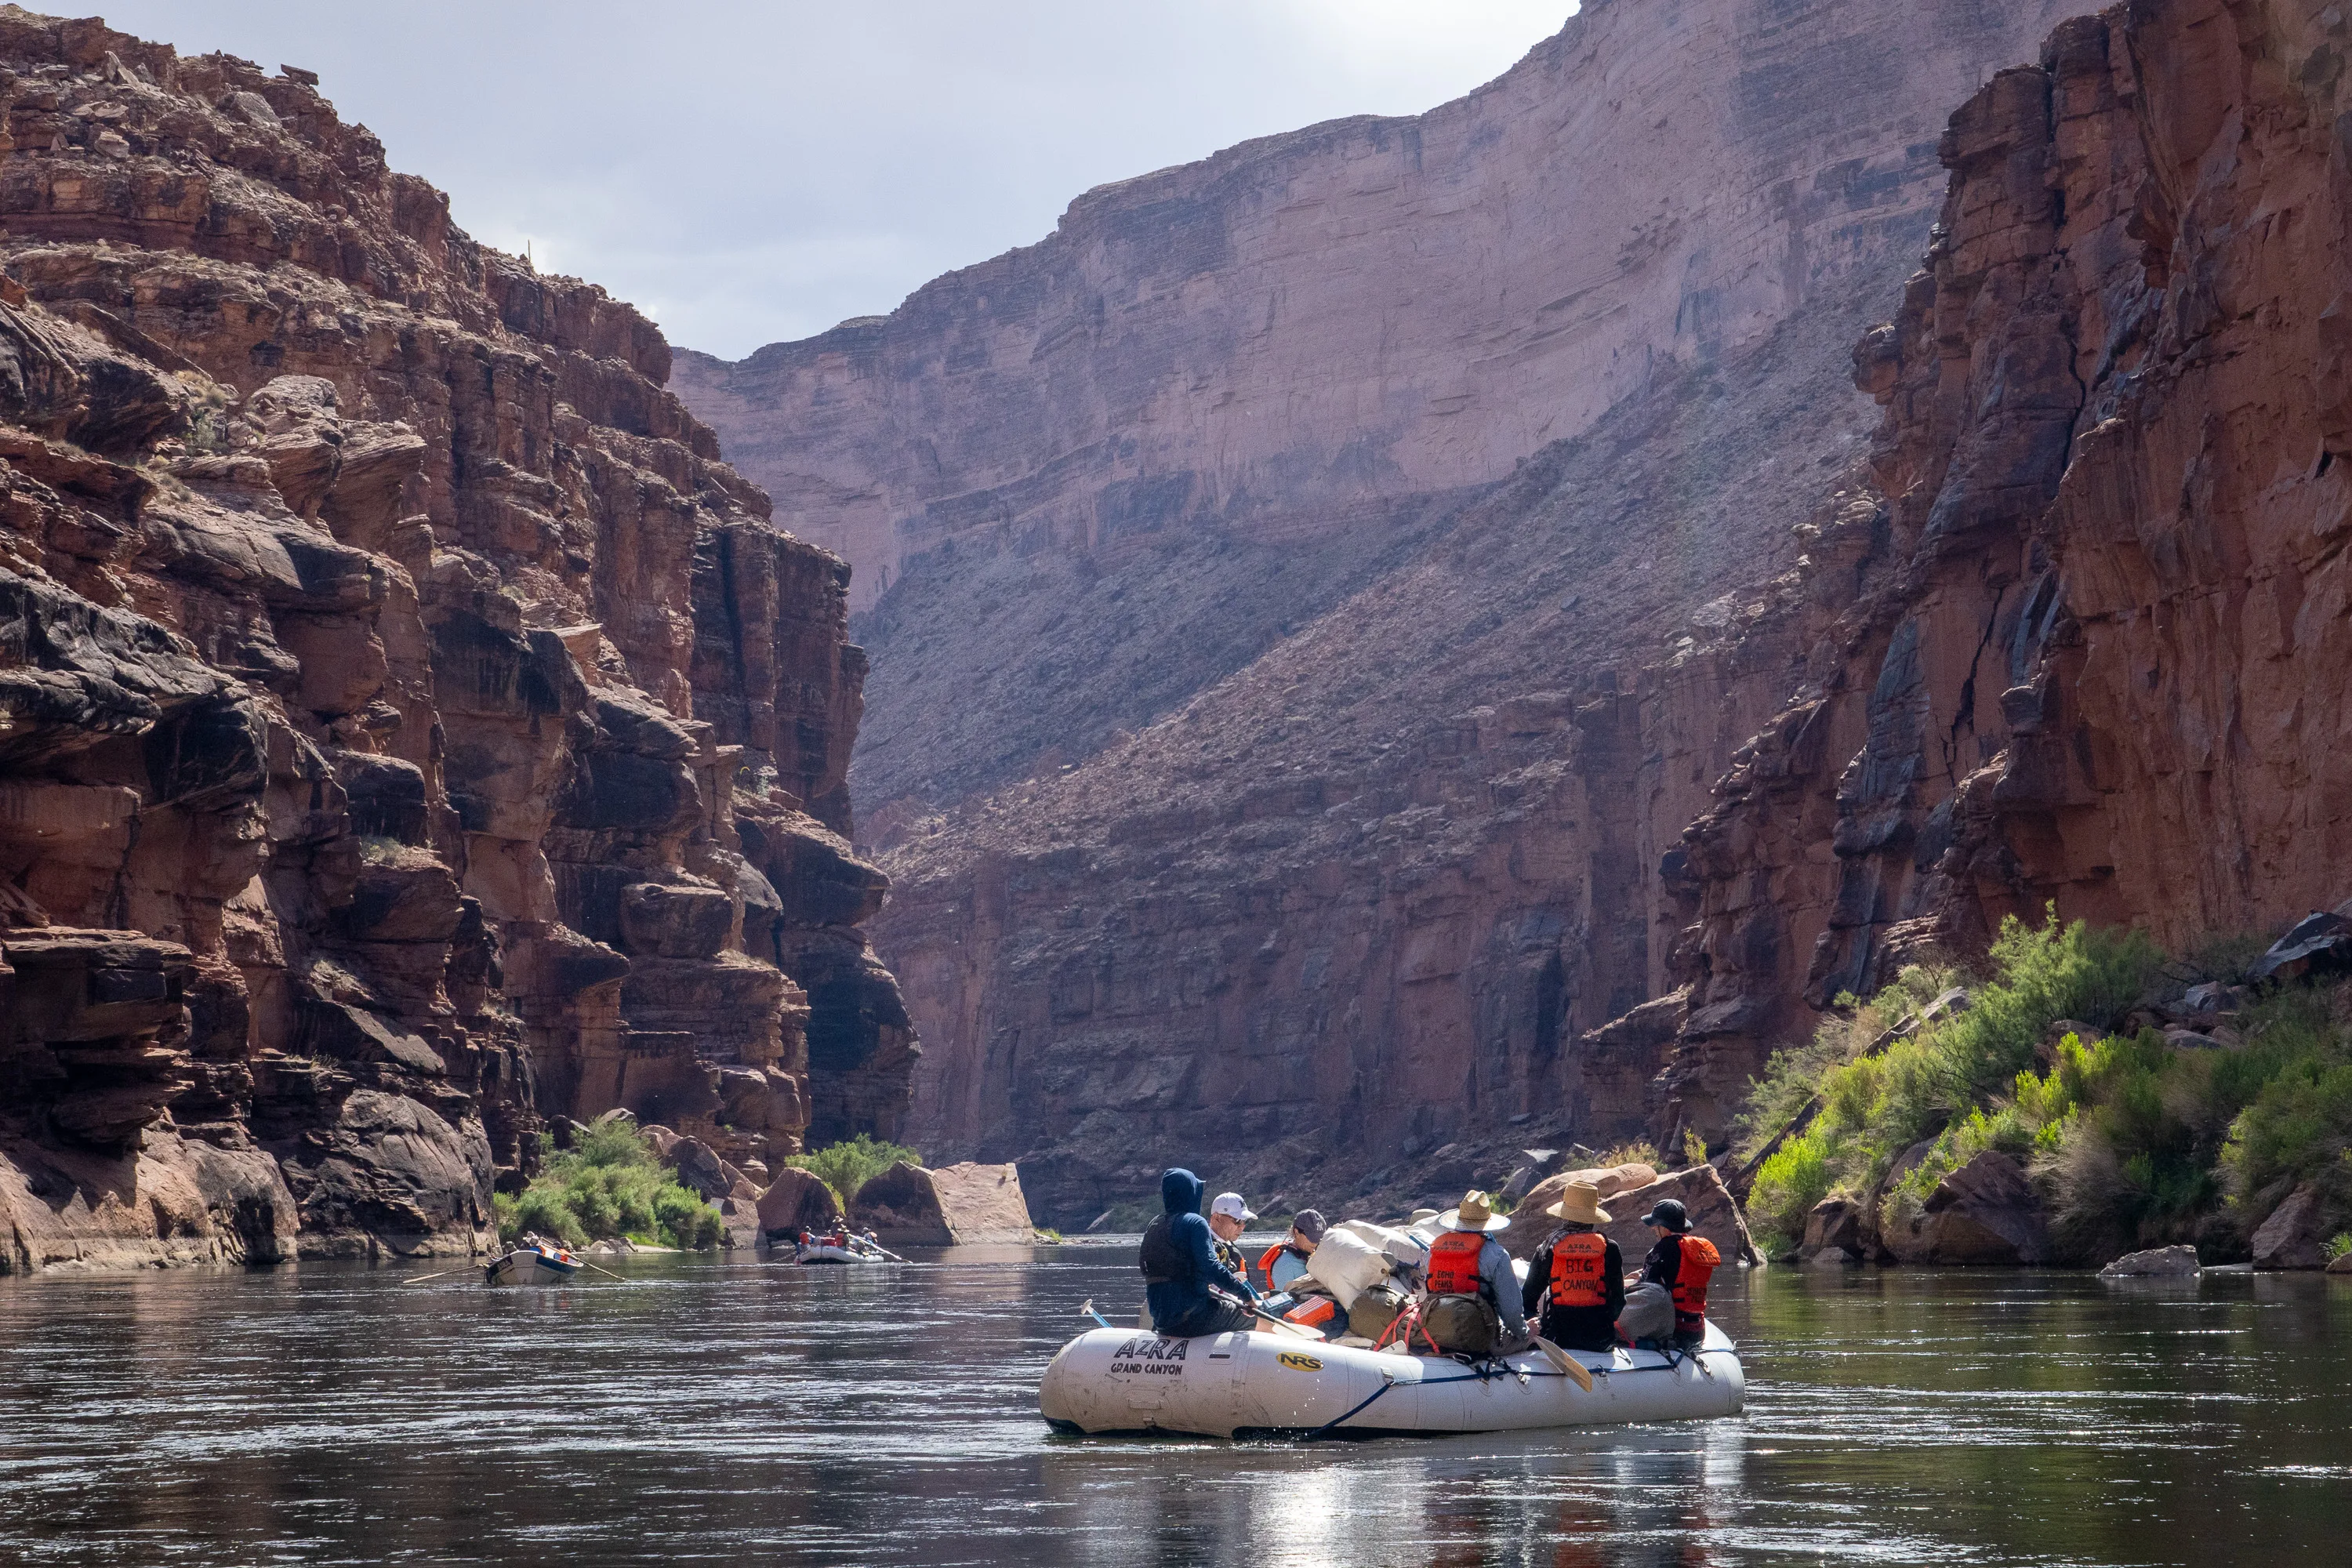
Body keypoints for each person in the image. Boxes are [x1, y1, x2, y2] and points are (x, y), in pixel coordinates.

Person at [1139, 1169, 1260, 1337]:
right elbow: (1211, 1267)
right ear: (1191, 1192)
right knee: (1259, 1318)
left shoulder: (1155, 1224)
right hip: (1193, 1318)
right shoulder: (1195, 1222)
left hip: (1162, 1321)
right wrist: (1246, 1296)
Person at [1417, 1189, 1527, 1357]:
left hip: (1438, 1334)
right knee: (1531, 1333)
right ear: (1486, 1223)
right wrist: (1524, 1333)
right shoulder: (1497, 1254)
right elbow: (1511, 1312)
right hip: (1480, 1338)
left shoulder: (1432, 1253)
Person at [1521, 1182, 1624, 1352]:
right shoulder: (1610, 1248)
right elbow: (1619, 1300)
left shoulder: (1548, 1248)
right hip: (1599, 1339)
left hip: (1558, 1337)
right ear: (1593, 1218)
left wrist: (1536, 1322)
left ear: (1565, 1216)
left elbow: (1527, 1299)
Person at [1634, 1198, 1720, 1351]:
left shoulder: (1663, 1247)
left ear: (1664, 1227)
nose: (1653, 1229)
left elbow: (1645, 1287)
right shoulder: (1697, 1248)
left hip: (1673, 1331)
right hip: (1698, 1330)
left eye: (1656, 1225)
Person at [1256, 1209, 1327, 1291]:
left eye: (1319, 1238)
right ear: (1296, 1232)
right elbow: (1284, 1298)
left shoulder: (1317, 1255)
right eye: (1312, 1237)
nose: (1315, 1243)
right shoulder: (1285, 1264)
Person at [1207, 1191, 1255, 1280]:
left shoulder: (1231, 1248)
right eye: (1237, 1220)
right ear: (1216, 1218)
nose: (1242, 1226)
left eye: (1244, 1220)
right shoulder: (1204, 1248)